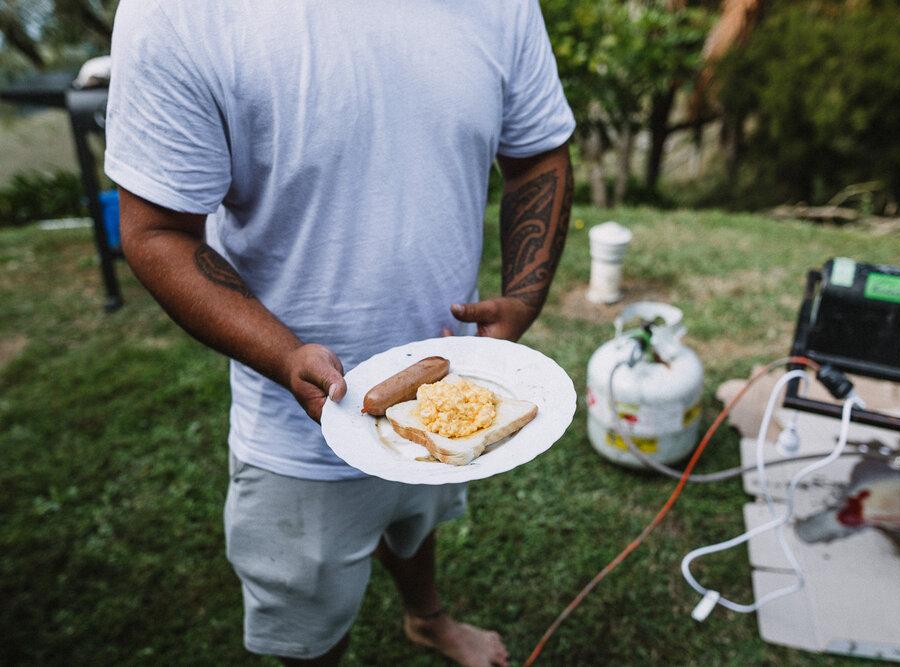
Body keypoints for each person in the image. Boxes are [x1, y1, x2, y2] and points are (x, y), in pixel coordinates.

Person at [105, 1, 575, 665]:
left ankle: (427, 616)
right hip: (295, 418)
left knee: (416, 515)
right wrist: (282, 353)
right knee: (310, 628)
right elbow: (155, 231)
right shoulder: (177, 11)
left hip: (448, 369)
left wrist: (524, 294)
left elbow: (538, 152)